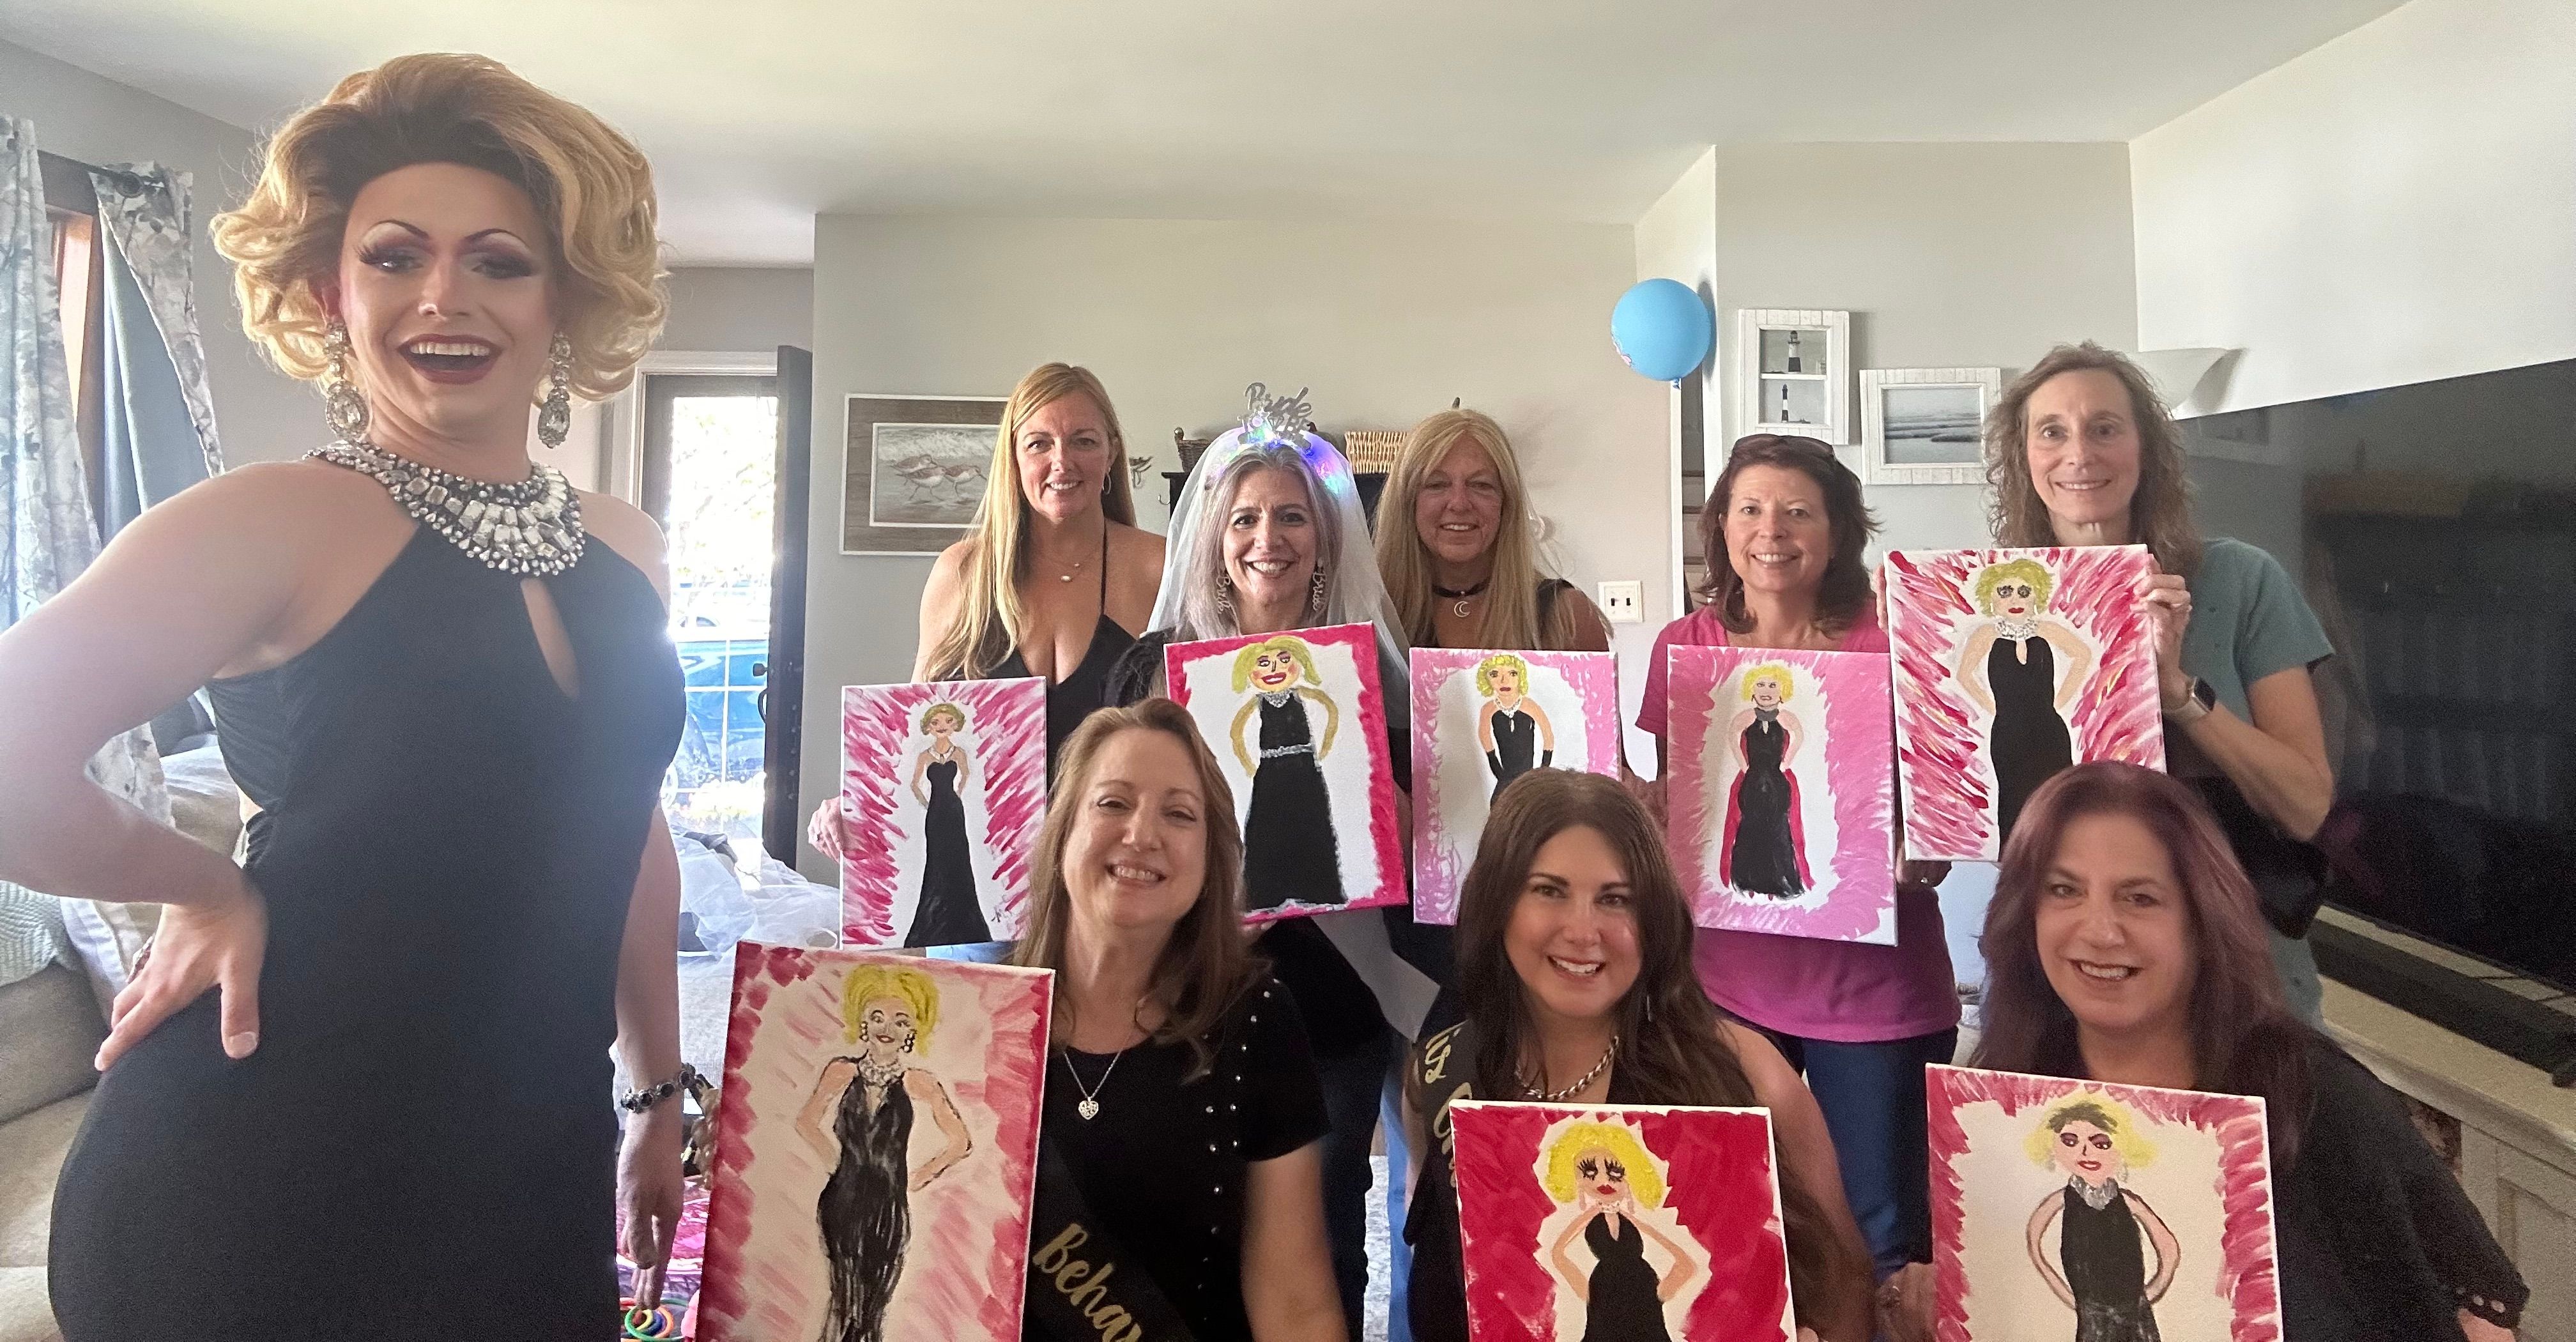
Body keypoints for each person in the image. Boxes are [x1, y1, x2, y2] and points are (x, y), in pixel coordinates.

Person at [0, 54, 688, 1337]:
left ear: (563, 301)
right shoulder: (274, 522)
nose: (444, 296)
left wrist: (654, 1090)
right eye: (393, 257)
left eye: (498, 260)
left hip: (525, 1165)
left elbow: (627, 825)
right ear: (331, 289)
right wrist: (202, 883)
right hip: (259, 1181)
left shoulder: (625, 545)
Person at [1883, 761, 2525, 1342]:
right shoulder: (1995, 1100)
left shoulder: (2312, 1094)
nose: (2101, 930)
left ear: (2204, 918)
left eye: (2141, 897)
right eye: (2063, 890)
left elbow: (2483, 1315)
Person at [1103, 386, 1430, 1332]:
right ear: (1213, 535)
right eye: (1244, 517)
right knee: (1182, 1225)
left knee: (1324, 1233)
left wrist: (1395, 814)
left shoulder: (1369, 670)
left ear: (1325, 538)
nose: (1268, 538)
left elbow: (1421, 841)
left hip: (1330, 998)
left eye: (1291, 516)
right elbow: (1106, 816)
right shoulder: (1155, 667)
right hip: (1183, 990)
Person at [1636, 434, 1959, 1285]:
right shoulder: (1684, 645)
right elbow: (1677, 803)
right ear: (1722, 526)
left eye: (1796, 511)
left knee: (1883, 1244)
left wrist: (1927, 852)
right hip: (1724, 992)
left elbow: (1952, 802)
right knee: (1730, 1222)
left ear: (1838, 528)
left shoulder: (1896, 642)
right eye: (1750, 509)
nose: (1770, 530)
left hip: (1877, 997)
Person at [1402, 771, 1876, 1342]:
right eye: (1549, 890)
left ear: (1653, 919)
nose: (1583, 930)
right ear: (1498, 903)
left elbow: (1843, 1281)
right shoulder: (1437, 1072)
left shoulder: (1747, 1075)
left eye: (1616, 899)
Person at [1984, 342, 2336, 1020]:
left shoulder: (2240, 580)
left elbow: (2305, 805)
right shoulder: (1985, 607)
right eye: (2052, 432)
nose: (2079, 452)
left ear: (2146, 449)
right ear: (2024, 459)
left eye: (2105, 428)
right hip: (2064, 965)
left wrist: (2177, 692)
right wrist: (1912, 646)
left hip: (2235, 970)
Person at [1009, 702, 1344, 1341]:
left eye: (1179, 814)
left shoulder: (1259, 1022)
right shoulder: (976, 1013)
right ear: (1064, 829)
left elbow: (1296, 1305)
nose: (1142, 834)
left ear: (1211, 861)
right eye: (1113, 803)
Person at [806, 362, 1163, 857]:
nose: (1062, 462)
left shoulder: (1158, 566)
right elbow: (916, 726)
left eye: (1083, 440)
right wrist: (853, 805)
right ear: (1013, 459)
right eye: (1039, 443)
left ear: (1111, 453)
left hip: (1118, 876)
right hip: (980, 882)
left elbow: (1193, 736)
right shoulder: (962, 572)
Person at [799, 964, 972, 1342]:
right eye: (877, 1017)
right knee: (845, 1297)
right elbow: (807, 1121)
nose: (886, 1028)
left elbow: (961, 1141)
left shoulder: (920, 1082)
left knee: (874, 1305)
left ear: (913, 1030)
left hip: (889, 1206)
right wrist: (840, 1167)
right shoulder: (841, 1072)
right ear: (862, 1022)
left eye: (899, 1020)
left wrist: (916, 1177)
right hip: (842, 1202)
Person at [1375, 408, 1611, 653]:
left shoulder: (1567, 617)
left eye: (1480, 485)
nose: (1459, 503)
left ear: (1506, 503)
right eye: (1437, 485)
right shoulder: (1372, 616)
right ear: (1406, 502)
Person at [1955, 556, 2094, 843]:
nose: (2015, 598)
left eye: (2024, 591)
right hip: (2008, 733)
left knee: (2058, 798)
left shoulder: (2048, 631)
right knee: (2013, 798)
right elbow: (1964, 674)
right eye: (2005, 591)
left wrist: (2059, 701)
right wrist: (1993, 706)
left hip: (2050, 730)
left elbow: (2083, 655)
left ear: (2036, 596)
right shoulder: (1985, 635)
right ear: (1991, 598)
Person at [2021, 1095, 2176, 1342]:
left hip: (2136, 1319)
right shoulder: (2060, 1201)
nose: (2085, 1152)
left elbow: (2169, 1248)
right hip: (2093, 1322)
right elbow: (2034, 1244)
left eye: (2101, 1143)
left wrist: (2150, 1292)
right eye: (2070, 1141)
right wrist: (2072, 1299)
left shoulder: (2128, 1201)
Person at [1540, 1120, 1704, 1342]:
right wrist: (1590, 1295)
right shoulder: (1588, 1221)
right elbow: (1558, 1254)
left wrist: (1655, 1296)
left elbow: (1686, 1265)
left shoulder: (1636, 1222)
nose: (1603, 1180)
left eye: (1615, 1172)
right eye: (1590, 1172)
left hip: (1643, 1287)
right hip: (1603, 1291)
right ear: (1576, 1180)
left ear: (1630, 1177)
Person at [1227, 636, 1346, 912]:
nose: (1274, 669)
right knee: (1269, 827)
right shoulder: (1256, 703)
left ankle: (1315, 888)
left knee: (1310, 821)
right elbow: (1237, 733)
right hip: (1271, 772)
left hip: (1304, 766)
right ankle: (1268, 891)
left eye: (1283, 661)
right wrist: (1249, 765)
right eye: (1264, 664)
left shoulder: (1304, 695)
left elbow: (1331, 710)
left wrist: (1324, 747)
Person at [1722, 662, 1810, 899]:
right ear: (1752, 689)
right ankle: (1746, 879)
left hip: (1776, 781)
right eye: (1761, 684)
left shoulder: (1786, 718)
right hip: (1752, 781)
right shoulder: (1745, 717)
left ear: (1783, 690)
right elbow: (1732, 735)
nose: (1766, 689)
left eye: (1772, 685)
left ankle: (1779, 882)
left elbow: (1799, 736)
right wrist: (1744, 765)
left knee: (1778, 827)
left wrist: (1785, 764)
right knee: (1750, 825)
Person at [903, 701, 987, 945]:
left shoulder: (959, 753)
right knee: (937, 861)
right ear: (928, 727)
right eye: (936, 722)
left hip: (953, 810)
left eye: (948, 722)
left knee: (959, 859)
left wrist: (958, 794)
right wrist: (926, 803)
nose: (942, 726)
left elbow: (967, 774)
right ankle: (933, 920)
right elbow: (914, 784)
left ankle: (964, 921)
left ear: (956, 725)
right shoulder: (924, 755)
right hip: (936, 813)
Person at [1475, 652, 1554, 800]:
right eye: (1495, 674)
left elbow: (1548, 734)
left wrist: (1543, 770)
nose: (1504, 681)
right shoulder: (1488, 709)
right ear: (1486, 679)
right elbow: (1484, 736)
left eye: (1512, 673)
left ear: (1520, 677)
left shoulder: (1530, 706)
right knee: (1498, 807)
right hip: (1505, 776)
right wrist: (1499, 772)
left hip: (1529, 776)